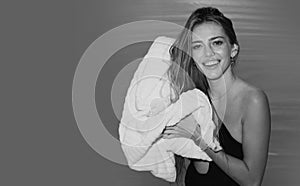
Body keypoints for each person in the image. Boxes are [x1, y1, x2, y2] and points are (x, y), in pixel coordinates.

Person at [162, 7, 271, 186]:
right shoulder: (193, 98)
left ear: (233, 49)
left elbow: (252, 180)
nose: (208, 54)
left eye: (217, 43)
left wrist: (200, 139)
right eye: (197, 46)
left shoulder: (253, 100)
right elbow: (185, 170)